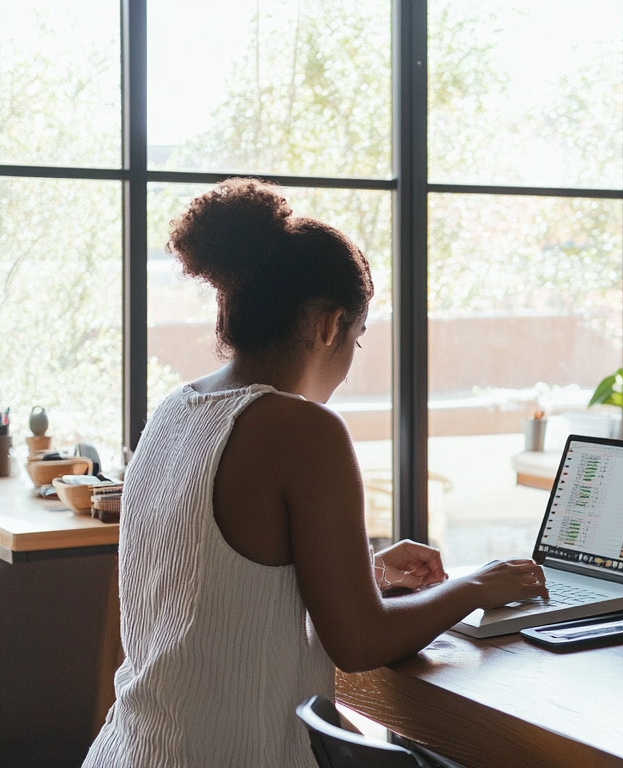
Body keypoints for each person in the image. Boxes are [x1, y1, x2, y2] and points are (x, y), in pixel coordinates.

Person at [85, 179, 549, 768]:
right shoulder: (302, 430)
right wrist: (478, 586)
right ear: (330, 325)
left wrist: (364, 573)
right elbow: (359, 643)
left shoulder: (177, 410)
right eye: (356, 338)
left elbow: (209, 590)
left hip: (132, 751)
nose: (351, 359)